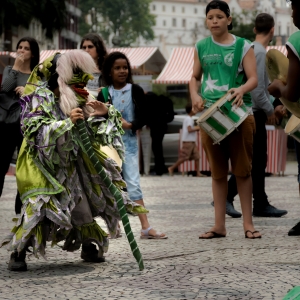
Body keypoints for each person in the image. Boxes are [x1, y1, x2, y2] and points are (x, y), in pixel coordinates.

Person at [1, 50, 147, 271]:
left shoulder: (80, 96)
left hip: (70, 161)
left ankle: (88, 243)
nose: (84, 78)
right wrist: (65, 123)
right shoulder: (41, 96)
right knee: (38, 205)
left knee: (80, 202)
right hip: (41, 163)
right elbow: (35, 130)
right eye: (77, 72)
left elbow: (99, 133)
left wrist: (105, 113)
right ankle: (19, 251)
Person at [190, 0, 261, 239]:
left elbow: (253, 79)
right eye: (210, 17)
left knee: (243, 171)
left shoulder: (243, 45)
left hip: (239, 115)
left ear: (229, 20)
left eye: (220, 16)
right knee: (218, 173)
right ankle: (218, 225)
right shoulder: (201, 46)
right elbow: (195, 77)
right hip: (211, 116)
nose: (215, 21)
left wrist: (241, 90)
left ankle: (248, 224)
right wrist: (194, 95)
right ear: (206, 21)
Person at [224, 13, 288, 218]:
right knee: (255, 160)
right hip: (256, 112)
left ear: (254, 29)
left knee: (256, 160)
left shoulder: (251, 48)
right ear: (273, 30)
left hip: (253, 110)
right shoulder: (259, 52)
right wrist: (270, 110)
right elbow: (258, 90)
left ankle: (257, 200)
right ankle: (229, 197)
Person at [98, 51, 167, 239]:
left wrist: (131, 125)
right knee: (112, 185)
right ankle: (114, 226)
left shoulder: (135, 90)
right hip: (108, 147)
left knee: (134, 184)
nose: (122, 71)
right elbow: (97, 118)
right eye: (117, 68)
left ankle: (145, 228)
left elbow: (145, 115)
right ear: (109, 71)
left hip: (129, 146)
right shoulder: (104, 93)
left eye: (125, 67)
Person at [268, 0, 300, 235]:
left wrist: (277, 86)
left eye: (293, 8)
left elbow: (291, 92)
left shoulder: (297, 40)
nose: (291, 15)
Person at [0, 37, 40, 215]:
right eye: (20, 47)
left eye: (26, 48)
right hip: (6, 125)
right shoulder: (10, 69)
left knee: (25, 167)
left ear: (33, 53)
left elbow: (42, 99)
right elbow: (5, 88)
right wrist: (15, 67)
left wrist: (27, 92)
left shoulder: (37, 74)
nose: (22, 51)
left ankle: (21, 208)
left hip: (27, 126)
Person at [168, 103, 202, 177]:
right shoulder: (189, 119)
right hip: (188, 141)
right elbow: (189, 129)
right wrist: (198, 128)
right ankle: (172, 168)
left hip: (191, 141)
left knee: (197, 156)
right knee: (184, 157)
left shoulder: (189, 119)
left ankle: (198, 172)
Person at [145, 92, 174, 175]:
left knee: (156, 147)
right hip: (162, 126)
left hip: (155, 127)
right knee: (158, 147)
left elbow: (149, 114)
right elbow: (170, 117)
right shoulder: (165, 102)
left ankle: (159, 168)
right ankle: (161, 167)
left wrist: (149, 123)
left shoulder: (151, 103)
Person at [80, 33, 108, 97]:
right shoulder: (78, 69)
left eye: (90, 47)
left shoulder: (107, 68)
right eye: (84, 47)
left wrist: (106, 91)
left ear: (98, 48)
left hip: (101, 104)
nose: (86, 50)